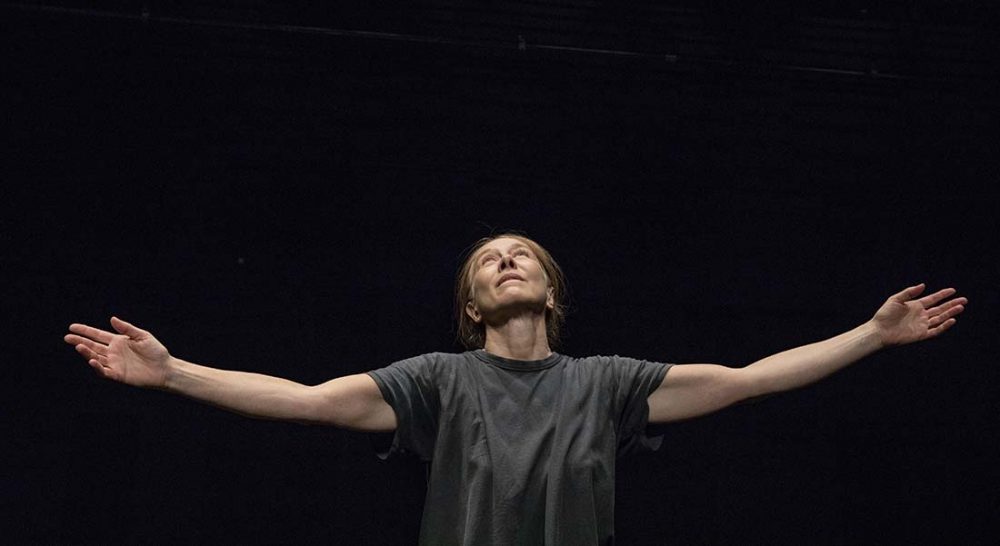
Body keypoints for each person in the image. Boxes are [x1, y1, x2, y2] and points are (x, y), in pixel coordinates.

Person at [64, 233, 967, 546]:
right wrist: (173, 372)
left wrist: (872, 334)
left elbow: (747, 381)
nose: (508, 259)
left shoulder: (608, 384)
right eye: (490, 258)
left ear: (549, 289)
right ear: (470, 302)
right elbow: (306, 399)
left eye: (523, 253)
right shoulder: (437, 381)